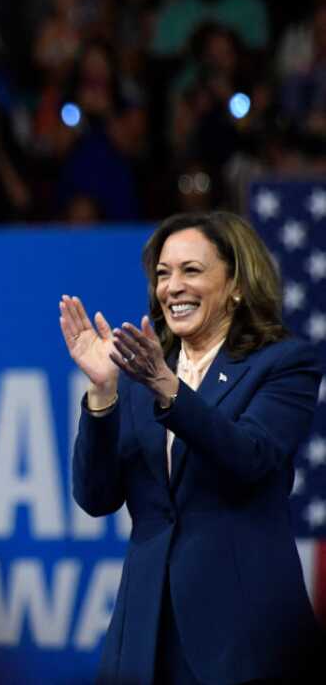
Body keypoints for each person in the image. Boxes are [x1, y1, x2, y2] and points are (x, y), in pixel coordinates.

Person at [60, 210, 324, 684]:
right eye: (163, 274)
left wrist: (169, 388)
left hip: (244, 638)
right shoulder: (141, 373)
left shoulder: (283, 363)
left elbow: (250, 457)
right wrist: (102, 394)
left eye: (191, 271)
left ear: (236, 285)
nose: (172, 287)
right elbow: (96, 497)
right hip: (144, 637)